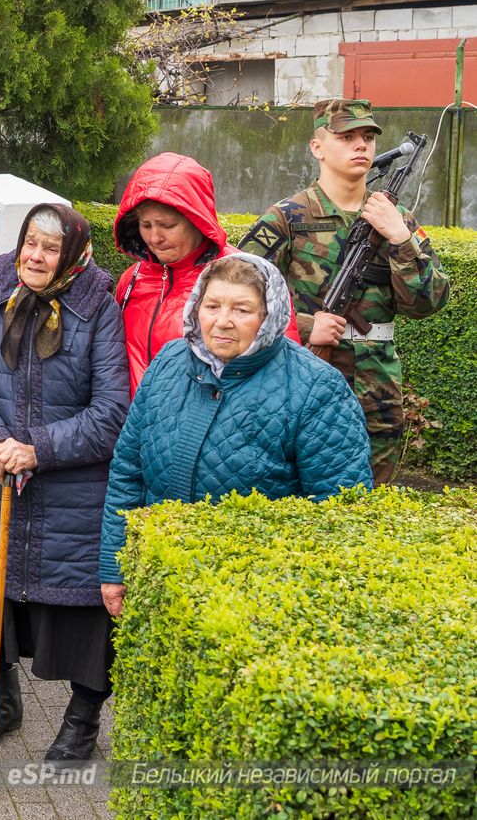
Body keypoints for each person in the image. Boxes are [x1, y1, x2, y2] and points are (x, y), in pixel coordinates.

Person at [0, 204, 130, 763]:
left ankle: (81, 722)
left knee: (84, 617)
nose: (35, 257)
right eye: (29, 243)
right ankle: (0, 702)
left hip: (70, 494)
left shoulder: (97, 302)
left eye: (49, 248)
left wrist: (38, 449)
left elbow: (112, 408)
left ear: (71, 253)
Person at [100, 253, 373, 620]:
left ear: (269, 315)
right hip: (156, 578)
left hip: (255, 602)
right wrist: (115, 567)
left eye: (242, 310)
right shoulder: (168, 362)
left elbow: (340, 513)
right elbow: (128, 472)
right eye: (212, 305)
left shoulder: (316, 388)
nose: (223, 321)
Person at [238, 99, 450, 484]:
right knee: (296, 491)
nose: (361, 146)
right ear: (317, 147)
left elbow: (428, 301)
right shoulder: (287, 216)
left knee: (370, 503)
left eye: (368, 137)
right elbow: (234, 292)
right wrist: (303, 327)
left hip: (377, 392)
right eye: (346, 137)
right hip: (301, 378)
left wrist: (400, 237)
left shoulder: (397, 220)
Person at [113, 152, 297, 394]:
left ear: (197, 220)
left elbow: (283, 370)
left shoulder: (245, 275)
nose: (154, 238)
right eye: (145, 225)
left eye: (167, 225)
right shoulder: (133, 279)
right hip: (140, 424)